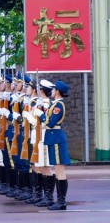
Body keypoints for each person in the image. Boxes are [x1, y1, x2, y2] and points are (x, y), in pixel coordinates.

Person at [42, 79, 71, 210]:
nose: (52, 91)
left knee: (59, 171)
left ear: (57, 91)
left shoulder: (58, 106)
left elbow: (50, 123)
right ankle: (59, 201)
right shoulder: (55, 104)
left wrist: (40, 116)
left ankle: (61, 202)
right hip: (53, 138)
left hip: (56, 138)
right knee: (57, 170)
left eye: (53, 89)